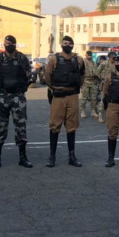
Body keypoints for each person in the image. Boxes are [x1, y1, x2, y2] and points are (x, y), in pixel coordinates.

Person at [0, 35, 33, 169]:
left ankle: (23, 158)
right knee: (0, 127)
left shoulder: (22, 58)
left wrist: (20, 87)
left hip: (18, 97)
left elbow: (29, 76)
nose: (7, 45)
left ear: (14, 44)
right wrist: (1, 87)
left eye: (9, 43)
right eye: (5, 43)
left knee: (21, 127)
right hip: (3, 97)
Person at [43, 36, 84, 168]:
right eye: (65, 43)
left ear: (73, 45)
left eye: (70, 43)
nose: (67, 45)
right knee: (55, 125)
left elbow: (82, 76)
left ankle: (72, 156)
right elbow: (47, 76)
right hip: (58, 96)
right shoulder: (54, 59)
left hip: (72, 95)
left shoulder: (79, 60)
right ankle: (52, 156)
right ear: (61, 45)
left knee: (71, 126)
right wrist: (54, 88)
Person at [79, 51, 101, 120]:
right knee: (84, 98)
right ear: (86, 55)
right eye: (88, 55)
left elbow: (96, 72)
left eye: (90, 55)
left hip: (93, 81)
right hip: (85, 81)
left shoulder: (93, 63)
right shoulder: (83, 62)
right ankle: (82, 111)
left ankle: (93, 111)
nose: (90, 56)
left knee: (94, 98)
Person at [95, 52, 116, 122]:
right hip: (105, 83)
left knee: (111, 100)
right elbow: (97, 72)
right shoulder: (104, 63)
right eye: (113, 56)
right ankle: (100, 115)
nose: (114, 57)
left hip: (113, 84)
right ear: (110, 56)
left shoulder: (115, 64)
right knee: (102, 99)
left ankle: (110, 115)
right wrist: (102, 78)